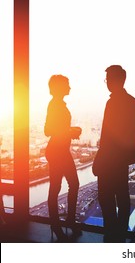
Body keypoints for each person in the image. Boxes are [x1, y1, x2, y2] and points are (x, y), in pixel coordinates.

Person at [92, 65, 135, 242]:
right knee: (121, 194)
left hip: (110, 158)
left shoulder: (112, 102)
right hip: (122, 159)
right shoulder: (133, 102)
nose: (107, 83)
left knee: (105, 196)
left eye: (108, 80)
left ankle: (111, 231)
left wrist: (100, 157)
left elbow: (107, 135)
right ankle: (119, 231)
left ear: (115, 80)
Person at [44, 74, 82, 242]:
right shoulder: (55, 105)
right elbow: (48, 130)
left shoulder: (57, 104)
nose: (70, 87)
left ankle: (63, 222)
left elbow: (58, 128)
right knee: (61, 186)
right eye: (67, 84)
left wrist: (70, 130)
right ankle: (62, 222)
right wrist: (70, 132)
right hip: (58, 151)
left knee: (60, 186)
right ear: (59, 87)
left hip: (60, 150)